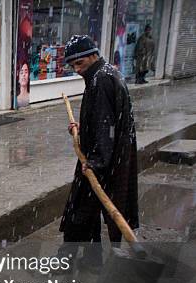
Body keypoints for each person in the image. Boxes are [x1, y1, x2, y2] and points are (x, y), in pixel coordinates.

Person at [58, 35, 139, 267]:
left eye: (79, 64)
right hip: (110, 155)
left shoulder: (101, 79)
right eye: (73, 66)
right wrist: (83, 128)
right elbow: (105, 119)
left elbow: (107, 125)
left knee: (79, 212)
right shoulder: (104, 73)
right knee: (89, 211)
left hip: (104, 160)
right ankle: (93, 260)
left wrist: (95, 162)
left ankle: (66, 263)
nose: (77, 70)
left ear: (93, 55)